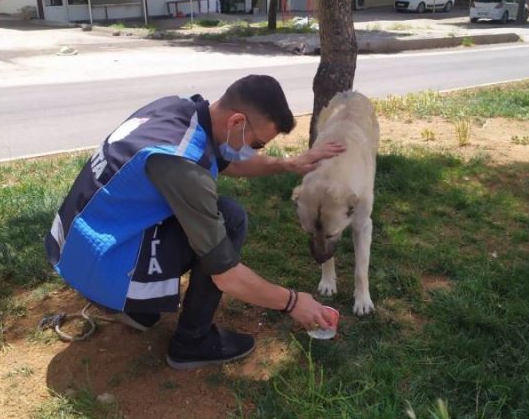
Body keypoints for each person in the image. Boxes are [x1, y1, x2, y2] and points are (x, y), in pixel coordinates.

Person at [45, 75, 343, 369]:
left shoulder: (177, 110)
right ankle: (192, 342)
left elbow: (227, 162)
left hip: (75, 250)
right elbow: (226, 275)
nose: (254, 151)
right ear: (237, 122)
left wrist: (286, 164)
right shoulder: (183, 165)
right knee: (230, 219)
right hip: (100, 270)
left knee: (201, 217)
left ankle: (136, 309)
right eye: (257, 144)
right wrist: (293, 302)